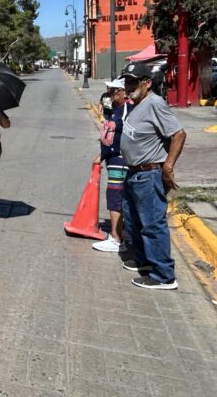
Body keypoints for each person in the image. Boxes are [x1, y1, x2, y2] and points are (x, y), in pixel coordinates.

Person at [120, 61, 186, 290]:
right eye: (126, 82)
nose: (128, 86)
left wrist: (168, 166)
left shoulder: (155, 103)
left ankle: (163, 275)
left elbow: (178, 134)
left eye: (133, 82)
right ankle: (145, 262)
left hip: (149, 174)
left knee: (152, 224)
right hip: (134, 174)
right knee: (133, 220)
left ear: (147, 83)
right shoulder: (137, 103)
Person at [92, 77, 131, 252]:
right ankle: (122, 234)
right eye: (110, 91)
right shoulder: (119, 109)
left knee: (115, 197)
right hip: (113, 158)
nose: (111, 94)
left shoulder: (127, 110)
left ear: (124, 93)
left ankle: (116, 238)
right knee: (117, 196)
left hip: (120, 160)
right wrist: (102, 154)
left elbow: (124, 136)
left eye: (114, 91)